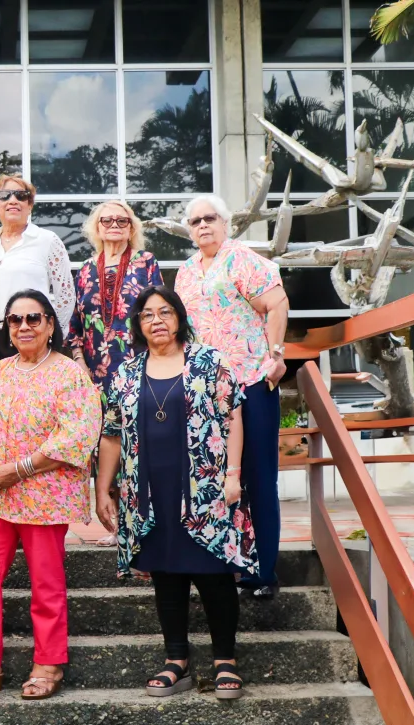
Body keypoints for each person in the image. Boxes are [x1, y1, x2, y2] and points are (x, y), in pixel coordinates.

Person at [96, 285, 257, 700]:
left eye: (165, 312)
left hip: (205, 488)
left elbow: (233, 415)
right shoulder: (126, 374)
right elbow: (111, 435)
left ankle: (225, 661)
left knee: (215, 573)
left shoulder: (208, 361)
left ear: (180, 317)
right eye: (147, 314)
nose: (157, 321)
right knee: (166, 577)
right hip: (148, 494)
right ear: (138, 324)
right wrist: (103, 489)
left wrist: (234, 474)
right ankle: (176, 661)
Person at [0, 290, 100, 701]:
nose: (24, 326)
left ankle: (48, 664)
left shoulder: (68, 373)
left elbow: (76, 438)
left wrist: (17, 470)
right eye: (15, 320)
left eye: (34, 318)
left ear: (50, 325)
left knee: (46, 582)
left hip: (44, 496)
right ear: (8, 329)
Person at [173, 195, 289, 599]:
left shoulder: (242, 258)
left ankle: (265, 570)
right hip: (207, 390)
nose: (202, 225)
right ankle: (225, 562)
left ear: (225, 222)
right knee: (215, 477)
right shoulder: (185, 272)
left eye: (210, 218)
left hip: (251, 381)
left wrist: (277, 356)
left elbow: (276, 303)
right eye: (194, 221)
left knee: (258, 477)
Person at [67, 199, 163, 548]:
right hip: (96, 374)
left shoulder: (145, 262)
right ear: (96, 227)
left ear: (132, 226)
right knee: (104, 448)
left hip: (138, 367)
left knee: (138, 444)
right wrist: (79, 362)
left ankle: (143, 524)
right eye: (106, 220)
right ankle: (118, 525)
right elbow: (75, 323)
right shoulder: (86, 269)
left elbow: (159, 312)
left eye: (122, 220)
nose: (114, 225)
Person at [0, 174, 74, 373]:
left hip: (33, 335)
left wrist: (50, 335)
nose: (13, 200)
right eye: (5, 196)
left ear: (29, 205)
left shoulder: (47, 240)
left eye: (21, 195)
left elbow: (66, 295)